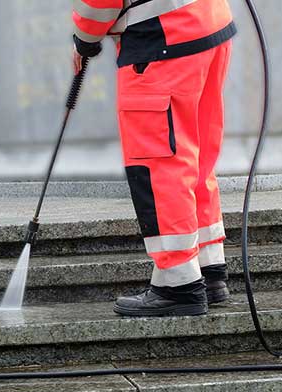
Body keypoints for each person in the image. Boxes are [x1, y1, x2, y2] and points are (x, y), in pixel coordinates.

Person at [72, 0, 236, 318]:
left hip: (163, 40)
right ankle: (207, 267)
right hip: (208, 23)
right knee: (195, 155)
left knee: (160, 162)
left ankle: (178, 284)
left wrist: (84, 38)